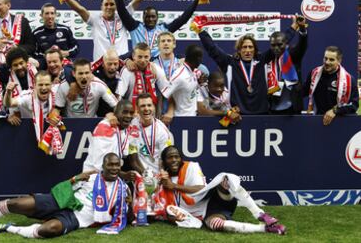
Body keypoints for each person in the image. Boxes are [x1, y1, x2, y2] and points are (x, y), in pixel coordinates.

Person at [0, 153, 130, 238]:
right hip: (60, 202)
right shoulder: (90, 176)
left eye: (117, 165)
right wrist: (74, 179)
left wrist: (128, 205)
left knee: (49, 230)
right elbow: (59, 190)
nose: (114, 168)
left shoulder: (123, 189)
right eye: (110, 165)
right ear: (103, 165)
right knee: (16, 204)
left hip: (76, 217)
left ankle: (9, 228)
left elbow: (123, 217)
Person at [157, 146, 286, 235]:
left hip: (215, 198)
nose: (174, 160)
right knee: (216, 225)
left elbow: (201, 188)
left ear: (181, 158)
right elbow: (159, 206)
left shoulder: (190, 167)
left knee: (227, 179)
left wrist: (173, 186)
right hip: (206, 213)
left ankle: (260, 214)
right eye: (169, 158)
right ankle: (266, 229)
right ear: (164, 161)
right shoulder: (161, 180)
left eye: (177, 157)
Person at [60, 0, 148, 60]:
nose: (109, 7)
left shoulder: (123, 16)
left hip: (122, 62)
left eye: (112, 4)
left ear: (116, 6)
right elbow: (79, 9)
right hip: (101, 64)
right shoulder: (95, 19)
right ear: (101, 7)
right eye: (106, 4)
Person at [197, 28, 270, 114]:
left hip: (263, 114)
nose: (247, 51)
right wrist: (201, 32)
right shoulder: (231, 62)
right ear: (239, 50)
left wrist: (291, 29)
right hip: (238, 115)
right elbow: (212, 49)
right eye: (244, 47)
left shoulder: (262, 60)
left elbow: (279, 46)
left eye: (250, 47)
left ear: (255, 50)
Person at [116, 0, 199, 58]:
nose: (150, 19)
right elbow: (122, 12)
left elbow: (183, 19)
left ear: (157, 17)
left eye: (153, 16)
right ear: (143, 17)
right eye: (147, 17)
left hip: (158, 62)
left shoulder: (164, 29)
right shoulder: (135, 27)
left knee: (183, 58)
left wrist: (195, 1)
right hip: (140, 60)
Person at [83, 100, 138, 183]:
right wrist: (124, 175)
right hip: (94, 179)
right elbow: (102, 165)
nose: (128, 116)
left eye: (131, 113)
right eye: (125, 112)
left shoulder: (127, 130)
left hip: (113, 178)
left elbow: (132, 156)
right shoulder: (105, 127)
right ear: (115, 113)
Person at [303, 46, 359, 125]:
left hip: (340, 122)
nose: (327, 62)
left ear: (339, 61)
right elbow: (304, 92)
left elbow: (354, 105)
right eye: (325, 58)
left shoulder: (349, 80)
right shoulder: (314, 74)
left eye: (331, 60)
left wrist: (335, 110)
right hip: (319, 121)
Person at [267, 15, 308, 114]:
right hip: (273, 107)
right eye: (273, 45)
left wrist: (301, 28)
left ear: (286, 43)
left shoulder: (293, 55)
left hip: (292, 107)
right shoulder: (266, 59)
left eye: (280, 45)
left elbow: (302, 45)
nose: (276, 48)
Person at [54, 59, 118, 118]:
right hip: (69, 124)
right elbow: (57, 109)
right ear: (73, 74)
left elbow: (117, 106)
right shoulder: (64, 86)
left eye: (87, 73)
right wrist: (54, 117)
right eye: (80, 73)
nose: (84, 76)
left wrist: (112, 115)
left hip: (92, 123)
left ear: (91, 72)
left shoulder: (99, 85)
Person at [128, 93, 172, 176]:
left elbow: (165, 160)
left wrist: (157, 177)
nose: (146, 109)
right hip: (140, 173)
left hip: (158, 174)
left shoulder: (162, 131)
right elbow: (133, 157)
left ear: (154, 107)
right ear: (137, 108)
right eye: (142, 106)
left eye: (149, 105)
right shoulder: (132, 125)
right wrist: (145, 175)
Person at [116, 43, 169, 111]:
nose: (143, 60)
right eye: (140, 57)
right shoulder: (126, 71)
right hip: (132, 112)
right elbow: (119, 96)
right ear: (133, 56)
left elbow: (167, 91)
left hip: (151, 112)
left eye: (146, 57)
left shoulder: (156, 69)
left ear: (150, 56)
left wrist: (161, 110)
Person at [161, 44, 203, 118]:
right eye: (199, 57)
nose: (201, 60)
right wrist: (168, 112)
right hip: (181, 119)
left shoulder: (193, 72)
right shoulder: (180, 76)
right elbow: (164, 94)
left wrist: (198, 83)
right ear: (193, 58)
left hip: (193, 117)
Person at [33, 3, 79, 69]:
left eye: (52, 13)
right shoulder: (36, 33)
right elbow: (34, 53)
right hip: (46, 66)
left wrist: (67, 53)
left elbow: (76, 47)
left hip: (65, 66)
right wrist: (48, 56)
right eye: (47, 13)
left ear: (56, 15)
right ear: (41, 15)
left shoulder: (65, 30)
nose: (50, 16)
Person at [92, 48, 122, 117]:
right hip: (97, 114)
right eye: (109, 64)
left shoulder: (123, 72)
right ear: (103, 64)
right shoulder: (94, 74)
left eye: (115, 64)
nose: (112, 67)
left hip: (117, 113)